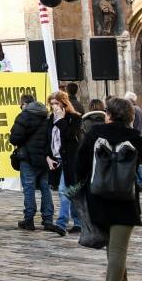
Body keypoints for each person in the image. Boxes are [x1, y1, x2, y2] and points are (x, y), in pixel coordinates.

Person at [75, 96, 142, 281]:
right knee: (117, 251)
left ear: (108, 114)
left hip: (98, 199)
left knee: (113, 250)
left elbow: (80, 165)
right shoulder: (134, 137)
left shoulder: (94, 134)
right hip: (124, 200)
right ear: (130, 116)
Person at [9, 91, 58, 234]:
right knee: (45, 188)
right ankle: (48, 219)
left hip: (29, 158)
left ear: (24, 104)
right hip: (44, 157)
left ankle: (29, 219)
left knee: (29, 188)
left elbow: (15, 139)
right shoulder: (46, 116)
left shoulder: (24, 116)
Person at [49, 90, 83, 234]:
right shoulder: (50, 118)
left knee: (64, 191)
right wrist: (47, 156)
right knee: (71, 191)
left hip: (71, 160)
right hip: (56, 159)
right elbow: (47, 139)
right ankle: (79, 222)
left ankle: (61, 223)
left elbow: (70, 135)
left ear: (64, 103)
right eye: (51, 104)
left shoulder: (74, 118)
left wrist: (61, 120)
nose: (54, 107)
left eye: (56, 103)